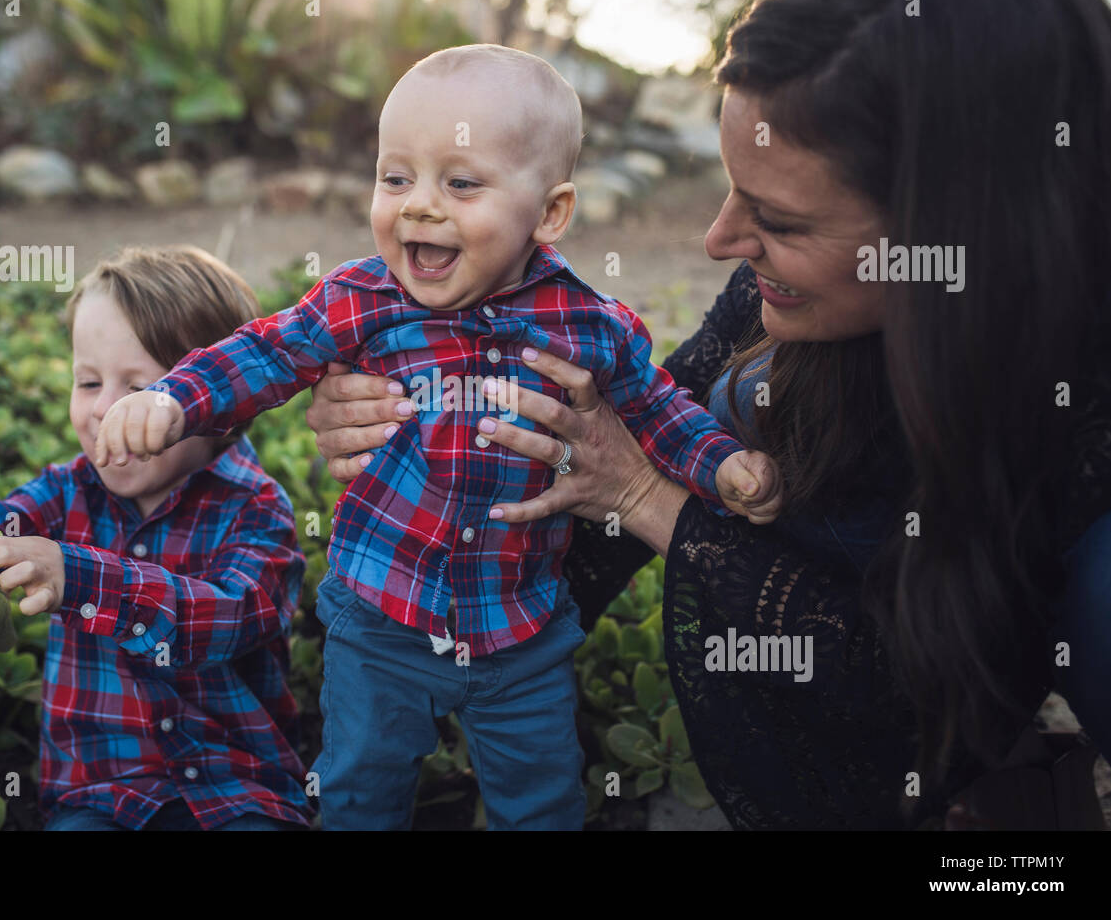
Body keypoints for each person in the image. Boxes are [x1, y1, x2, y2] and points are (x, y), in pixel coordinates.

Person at [303, 0, 1111, 828]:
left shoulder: (1078, 407)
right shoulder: (776, 304)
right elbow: (637, 425)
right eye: (731, 187)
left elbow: (915, 688)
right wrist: (415, 424)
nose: (718, 237)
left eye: (782, 221)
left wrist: (653, 501)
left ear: (963, 229)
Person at [91, 44, 783, 829]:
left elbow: (658, 410)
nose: (419, 205)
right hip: (382, 618)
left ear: (550, 213)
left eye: (461, 182)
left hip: (519, 631)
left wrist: (722, 461)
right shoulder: (363, 300)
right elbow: (266, 352)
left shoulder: (589, 324)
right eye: (396, 178)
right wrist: (174, 399)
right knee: (358, 786)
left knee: (542, 798)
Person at [0, 245, 313, 831]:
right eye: (88, 381)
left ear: (218, 404)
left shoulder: (256, 508)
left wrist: (81, 579)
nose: (102, 410)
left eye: (137, 389)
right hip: (99, 796)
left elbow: (234, 617)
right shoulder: (63, 494)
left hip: (238, 789)